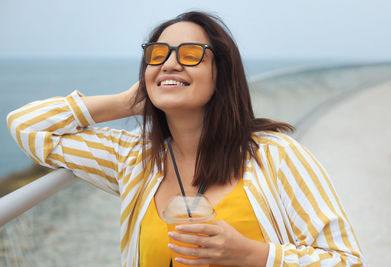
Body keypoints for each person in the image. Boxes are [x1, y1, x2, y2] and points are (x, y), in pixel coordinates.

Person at [7, 11, 365, 267]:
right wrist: (125, 102)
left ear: (221, 75)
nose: (170, 64)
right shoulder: (133, 159)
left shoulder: (276, 156)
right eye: (157, 55)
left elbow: (347, 259)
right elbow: (28, 126)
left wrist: (255, 256)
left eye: (191, 55)